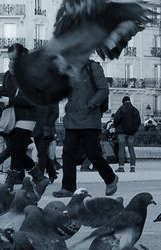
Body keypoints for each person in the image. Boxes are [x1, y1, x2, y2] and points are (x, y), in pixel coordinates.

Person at [57, 58, 118, 197]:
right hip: (72, 117)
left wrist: (90, 104)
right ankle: (68, 187)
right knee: (68, 153)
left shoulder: (93, 67)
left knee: (92, 153)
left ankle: (110, 178)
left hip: (90, 118)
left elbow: (103, 90)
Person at [0, 44, 41, 189]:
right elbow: (6, 92)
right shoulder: (8, 74)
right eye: (9, 59)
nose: (11, 62)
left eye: (14, 59)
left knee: (17, 146)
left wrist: (8, 100)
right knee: (18, 149)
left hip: (27, 116)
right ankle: (39, 178)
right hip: (12, 116)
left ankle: (8, 183)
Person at [111, 94, 141, 173]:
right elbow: (138, 122)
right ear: (129, 101)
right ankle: (132, 168)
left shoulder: (121, 109)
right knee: (131, 149)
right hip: (131, 133)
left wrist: (115, 126)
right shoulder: (135, 110)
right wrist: (134, 130)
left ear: (123, 101)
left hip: (121, 132)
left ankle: (121, 167)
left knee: (121, 149)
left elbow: (116, 119)